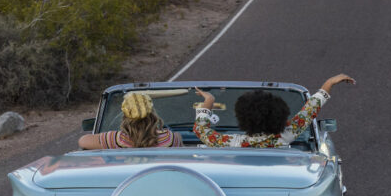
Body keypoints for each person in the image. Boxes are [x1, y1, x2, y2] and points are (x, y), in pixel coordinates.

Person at [192, 74, 355, 148]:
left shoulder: (231, 142)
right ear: (280, 115)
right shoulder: (286, 136)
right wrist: (329, 83)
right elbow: (309, 110)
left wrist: (209, 100)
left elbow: (201, 130)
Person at [79, 92, 183, 149]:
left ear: (126, 117)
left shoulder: (116, 139)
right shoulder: (171, 138)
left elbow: (83, 141)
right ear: (152, 115)